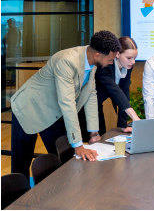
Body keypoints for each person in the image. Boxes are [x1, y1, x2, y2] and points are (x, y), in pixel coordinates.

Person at [11, 30, 121, 181]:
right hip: (29, 107)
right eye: (111, 59)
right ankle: (13, 201)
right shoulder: (67, 61)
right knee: (21, 162)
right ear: (97, 55)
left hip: (53, 111)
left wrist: (93, 132)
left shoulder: (92, 62)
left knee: (63, 158)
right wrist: (78, 144)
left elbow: (91, 95)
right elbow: (67, 103)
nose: (112, 62)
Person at [95, 36, 140, 135]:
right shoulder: (105, 65)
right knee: (95, 138)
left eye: (134, 58)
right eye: (129, 58)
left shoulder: (127, 66)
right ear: (118, 54)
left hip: (98, 104)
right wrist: (134, 117)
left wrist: (123, 126)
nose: (133, 62)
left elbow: (124, 93)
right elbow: (116, 92)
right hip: (86, 106)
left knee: (101, 135)